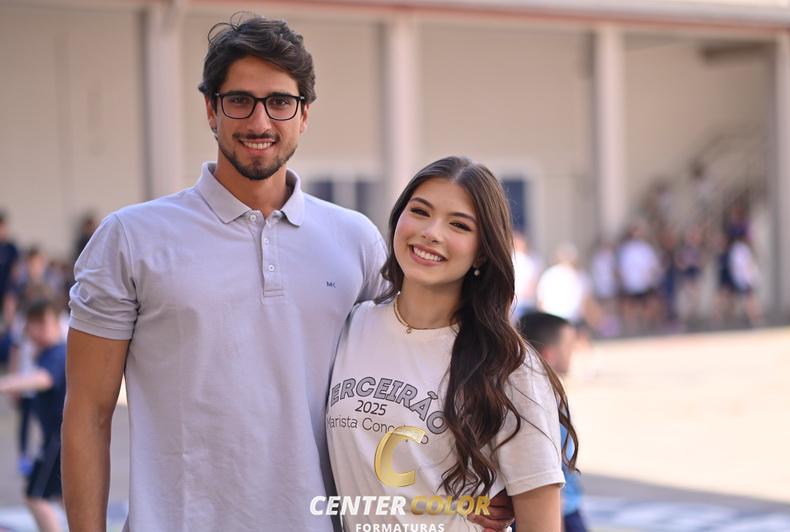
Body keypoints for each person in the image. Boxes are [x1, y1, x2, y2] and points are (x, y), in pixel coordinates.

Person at [63, 15, 510, 532]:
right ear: (210, 110)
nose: (260, 122)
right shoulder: (130, 238)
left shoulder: (356, 240)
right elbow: (89, 413)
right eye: (239, 100)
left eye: (280, 102)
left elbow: (418, 372)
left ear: (304, 115)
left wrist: (479, 482)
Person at [327, 157, 577, 531]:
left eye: (458, 225)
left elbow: (542, 523)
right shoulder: (352, 325)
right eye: (420, 212)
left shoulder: (509, 365)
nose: (431, 232)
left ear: (482, 250)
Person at [0, 299, 68, 532]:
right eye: (33, 324)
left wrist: (6, 383)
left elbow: (44, 379)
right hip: (58, 437)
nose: (38, 330)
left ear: (57, 323)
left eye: (44, 323)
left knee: (35, 496)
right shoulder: (47, 352)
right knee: (62, 496)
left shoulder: (57, 352)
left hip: (57, 439)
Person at [517, 311, 587, 532]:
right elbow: (547, 473)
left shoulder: (539, 395)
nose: (573, 353)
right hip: (559, 515)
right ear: (549, 354)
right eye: (569, 347)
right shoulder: (540, 403)